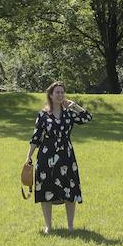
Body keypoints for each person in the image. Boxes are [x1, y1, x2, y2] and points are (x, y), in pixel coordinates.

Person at [26, 81, 93, 233]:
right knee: (45, 189)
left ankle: (70, 227)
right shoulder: (43, 114)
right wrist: (28, 157)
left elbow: (88, 118)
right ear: (50, 95)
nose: (60, 95)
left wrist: (75, 106)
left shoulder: (69, 113)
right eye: (57, 92)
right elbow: (35, 137)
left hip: (66, 156)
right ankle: (48, 226)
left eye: (62, 92)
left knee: (70, 190)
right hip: (46, 155)